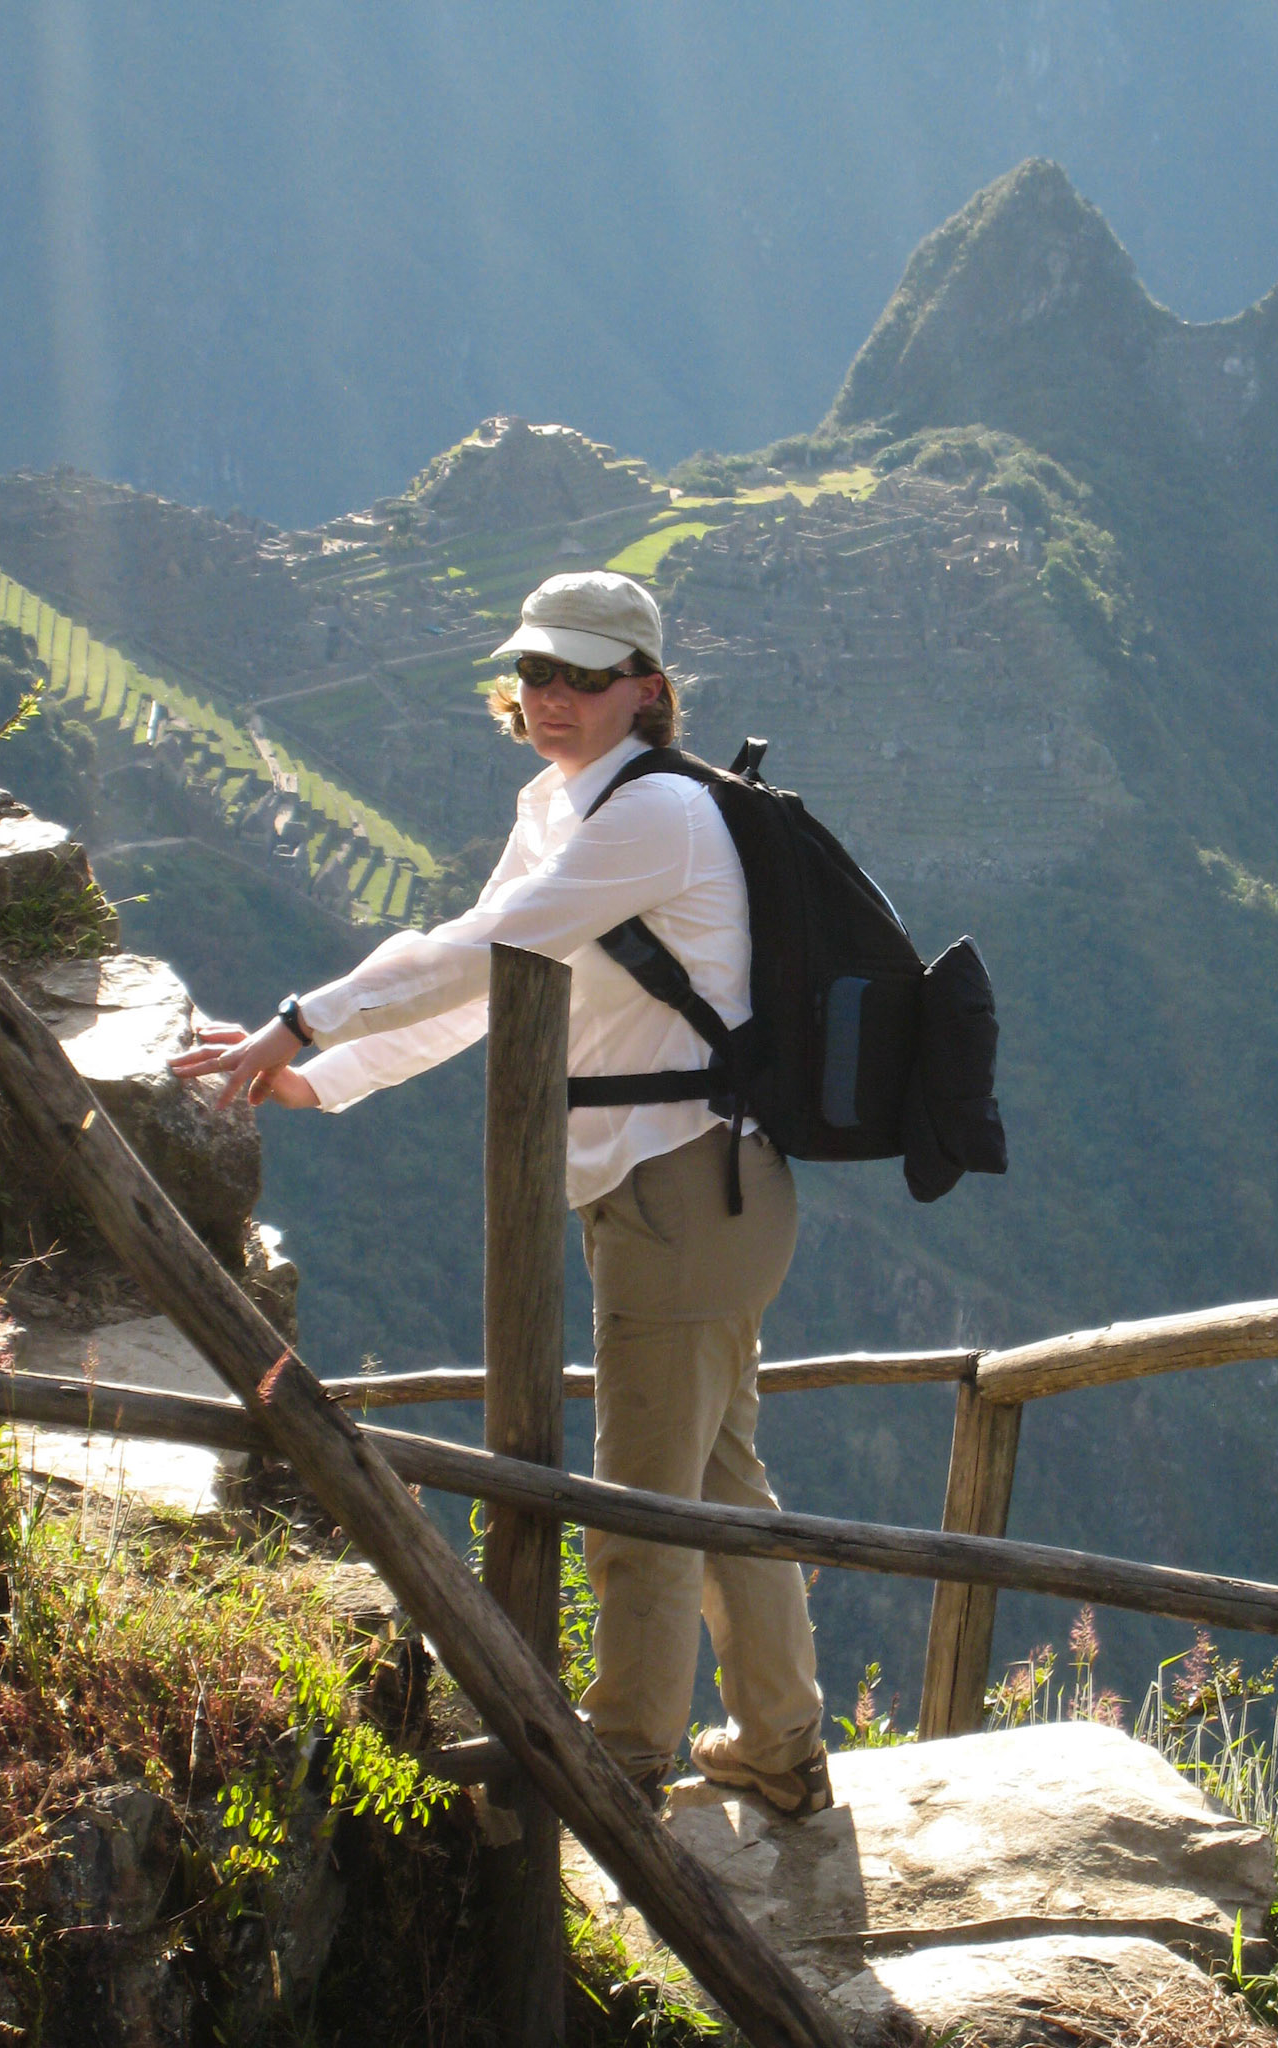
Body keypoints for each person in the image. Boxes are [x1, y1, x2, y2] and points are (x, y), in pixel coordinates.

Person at [171, 570, 831, 1815]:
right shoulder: (568, 806)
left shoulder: (655, 818)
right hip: (689, 1185)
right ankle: (782, 1745)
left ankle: (620, 1760)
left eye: (585, 676)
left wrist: (299, 1025)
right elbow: (495, 980)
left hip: (679, 1189)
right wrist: (323, 1077)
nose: (554, 697)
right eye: (536, 672)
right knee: (719, 1473)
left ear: (648, 687)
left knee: (638, 1501)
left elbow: (475, 952)